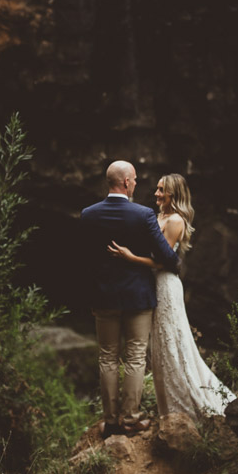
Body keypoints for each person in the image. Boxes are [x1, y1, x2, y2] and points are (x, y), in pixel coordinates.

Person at [109, 173, 236, 420]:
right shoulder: (157, 216)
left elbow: (162, 262)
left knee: (173, 342)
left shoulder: (176, 220)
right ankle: (168, 408)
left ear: (173, 195)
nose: (156, 194)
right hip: (151, 284)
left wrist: (130, 258)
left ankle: (185, 408)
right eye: (156, 189)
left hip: (165, 284)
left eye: (161, 190)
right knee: (160, 346)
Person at [81, 160, 180, 439]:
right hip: (138, 296)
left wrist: (92, 293)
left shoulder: (88, 214)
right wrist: (173, 259)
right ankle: (131, 419)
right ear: (126, 183)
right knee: (136, 357)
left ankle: (111, 422)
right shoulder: (143, 214)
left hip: (103, 297)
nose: (136, 184)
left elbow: (82, 260)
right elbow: (167, 257)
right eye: (134, 180)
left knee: (107, 358)